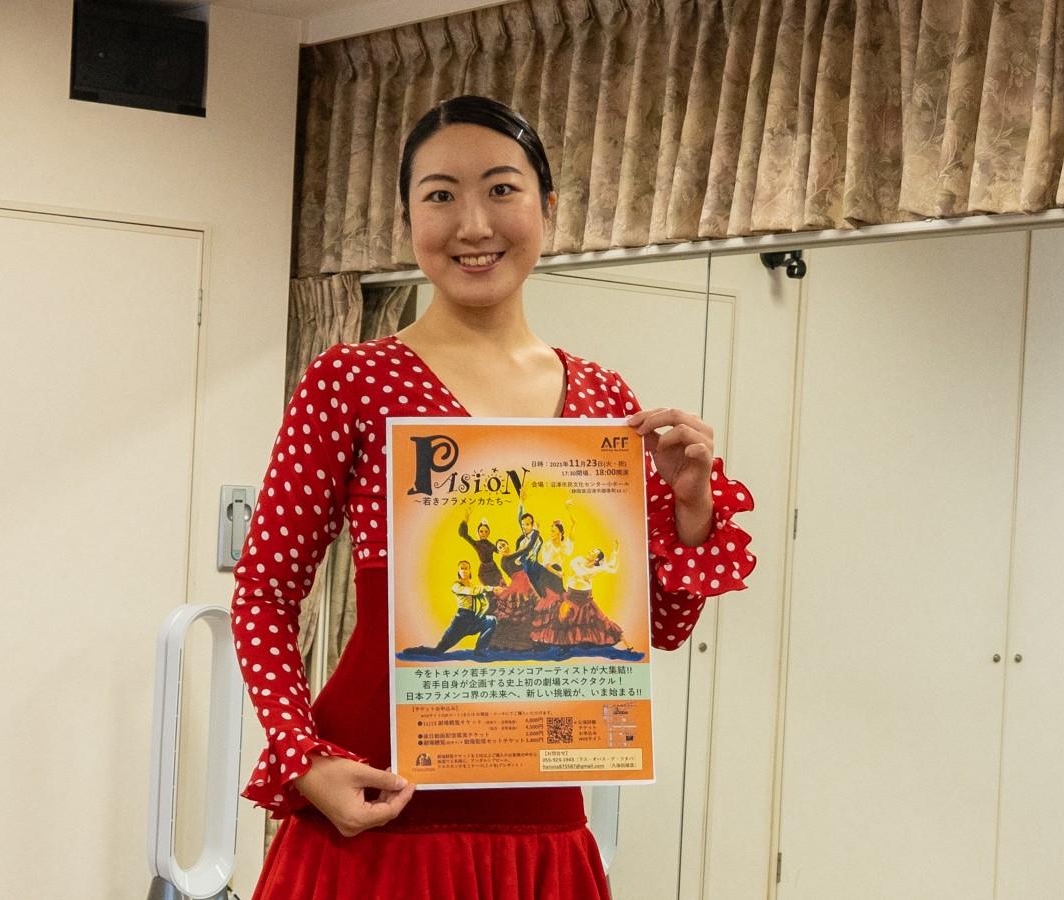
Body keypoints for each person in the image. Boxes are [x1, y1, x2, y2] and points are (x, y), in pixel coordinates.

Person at [231, 95, 756, 900]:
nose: (473, 224)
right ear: (407, 218)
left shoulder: (603, 399)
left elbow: (655, 627)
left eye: (502, 190)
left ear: (549, 206)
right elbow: (264, 591)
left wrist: (691, 511)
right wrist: (304, 761)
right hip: (371, 805)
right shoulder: (351, 380)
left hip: (540, 816)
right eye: (440, 195)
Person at [432, 560, 497, 653]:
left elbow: (483, 603)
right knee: (439, 650)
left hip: (473, 619)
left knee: (491, 621)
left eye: (466, 568)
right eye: (461, 569)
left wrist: (480, 615)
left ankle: (480, 650)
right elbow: (471, 591)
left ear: (470, 571)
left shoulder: (473, 586)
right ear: (458, 571)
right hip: (461, 620)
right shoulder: (456, 586)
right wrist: (491, 588)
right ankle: (417, 651)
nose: (464, 571)